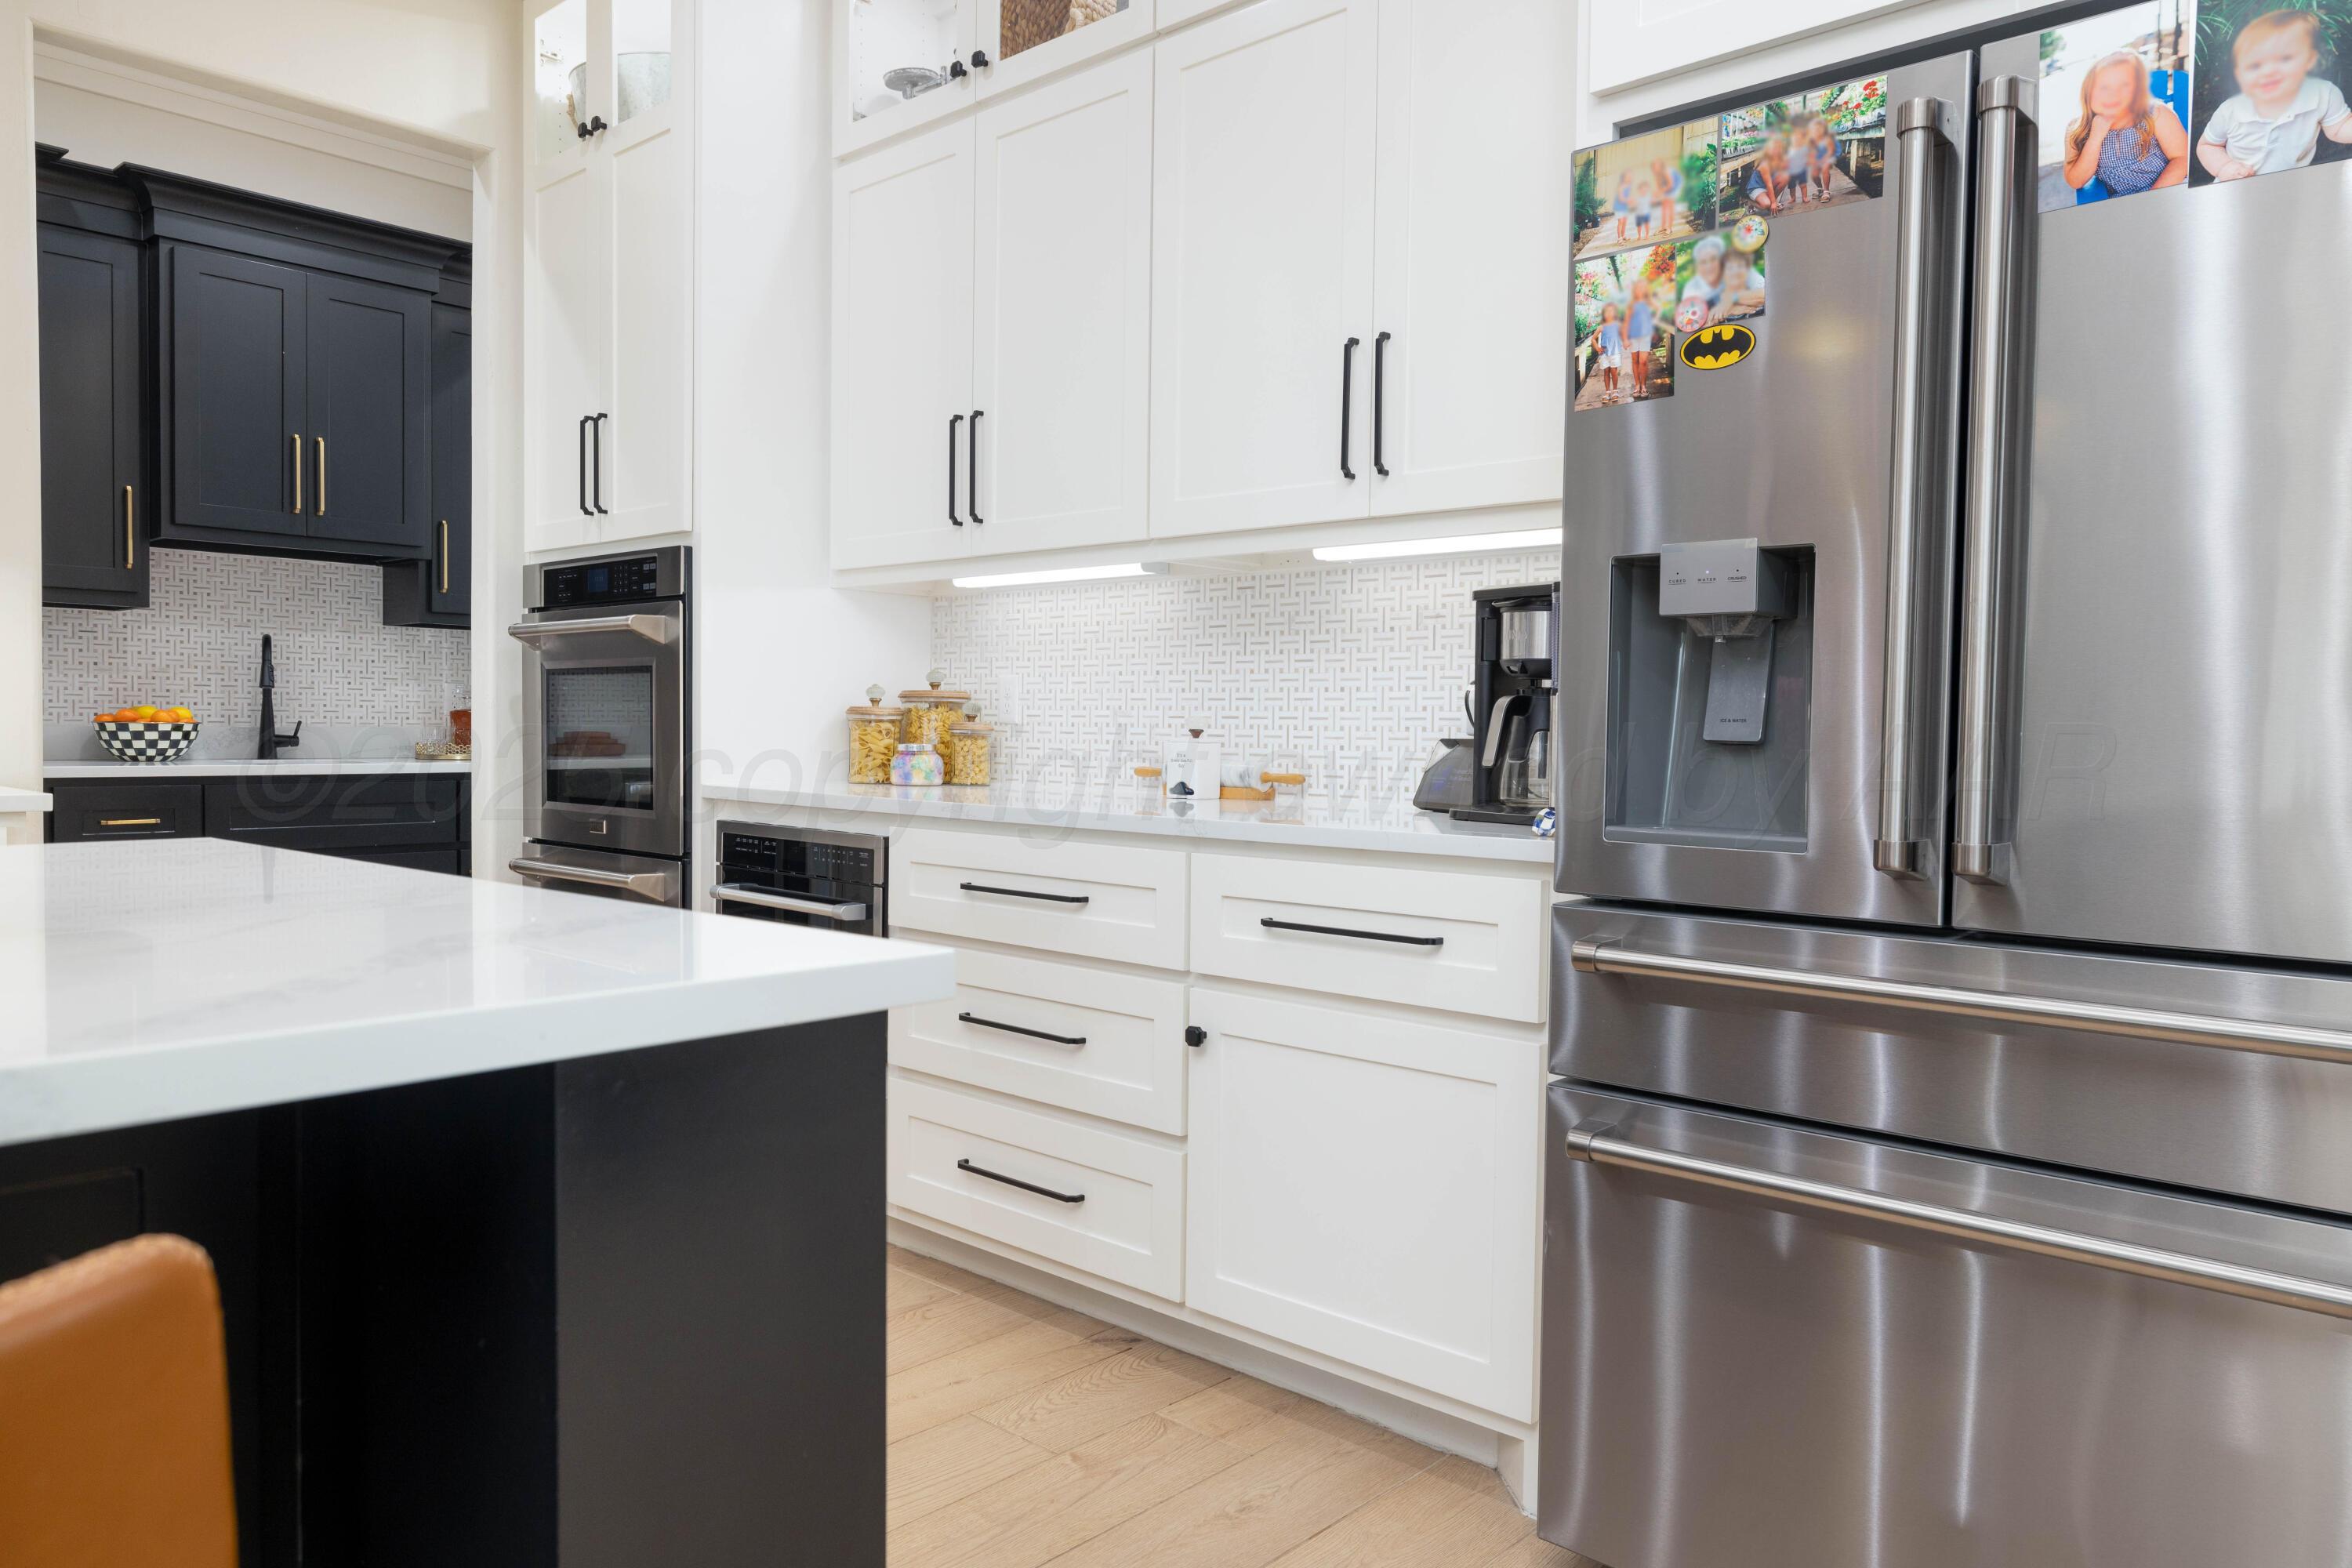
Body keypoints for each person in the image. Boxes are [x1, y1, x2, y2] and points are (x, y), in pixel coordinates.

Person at [2198, 9, 2352, 180]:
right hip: (2238, 188)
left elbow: (2338, 129)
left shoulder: (2323, 94)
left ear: (2309, 59)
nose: (2269, 71)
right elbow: (2207, 146)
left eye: (2285, 59)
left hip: (2291, 187)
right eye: (2255, 66)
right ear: (2240, 74)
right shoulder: (2231, 110)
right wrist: (2224, 167)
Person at [2063, 49, 2190, 195]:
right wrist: (2095, 138)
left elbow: (2182, 159)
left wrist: (2151, 200)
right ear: (2088, 92)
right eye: (2104, 87)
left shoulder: (2155, 114)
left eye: (2125, 86)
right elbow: (2075, 181)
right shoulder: (2078, 129)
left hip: (2167, 190)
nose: (2113, 95)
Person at [1681, 235, 1728, 320]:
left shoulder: (1735, 271)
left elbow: (1759, 292)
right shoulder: (1691, 288)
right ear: (1697, 266)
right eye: (1703, 262)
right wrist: (1730, 309)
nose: (1709, 266)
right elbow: (1690, 320)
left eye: (1713, 259)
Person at [1626, 282, 1656, 397]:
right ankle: (1637, 386)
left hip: (1645, 336)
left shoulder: (1649, 303)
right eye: (1638, 289)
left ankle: (1644, 386)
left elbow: (1657, 311)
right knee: (1635, 360)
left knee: (1643, 361)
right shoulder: (1631, 304)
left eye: (1642, 288)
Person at [1718, 249, 1766, 321]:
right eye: (1730, 268)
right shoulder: (1713, 294)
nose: (1735, 272)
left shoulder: (1754, 279)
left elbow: (1766, 295)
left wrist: (1732, 298)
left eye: (1740, 266)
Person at [1743, 137, 1787, 212]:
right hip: (1757, 187)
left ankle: (1773, 203)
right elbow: (1769, 185)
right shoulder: (1765, 164)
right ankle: (1750, 202)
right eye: (1774, 148)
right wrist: (1772, 203)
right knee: (1766, 204)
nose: (1777, 151)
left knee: (1785, 178)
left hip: (1766, 187)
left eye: (1779, 148)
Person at [1594, 302, 1624, 403]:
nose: (1609, 314)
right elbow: (1593, 339)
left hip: (1615, 353)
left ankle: (1615, 391)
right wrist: (1597, 348)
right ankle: (1607, 392)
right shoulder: (1601, 327)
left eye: (1611, 312)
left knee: (1614, 372)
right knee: (1606, 372)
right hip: (1604, 354)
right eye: (1607, 312)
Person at [1652, 156, 1682, 236]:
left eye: (1656, 166)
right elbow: (1659, 188)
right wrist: (1658, 194)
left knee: (1670, 206)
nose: (1655, 168)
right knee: (1664, 206)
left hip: (1676, 184)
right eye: (1654, 166)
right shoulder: (1657, 174)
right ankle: (1663, 226)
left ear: (1661, 166)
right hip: (1667, 187)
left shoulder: (1666, 171)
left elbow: (1671, 185)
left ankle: (1670, 228)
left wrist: (1660, 192)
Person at [1612, 172, 1634, 243]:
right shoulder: (1621, 186)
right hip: (1619, 206)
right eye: (1627, 177)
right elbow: (1621, 199)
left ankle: (1623, 236)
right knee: (1620, 221)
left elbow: (1627, 196)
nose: (1629, 178)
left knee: (1625, 221)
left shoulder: (1629, 186)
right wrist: (1629, 200)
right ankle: (1619, 239)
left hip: (1625, 206)